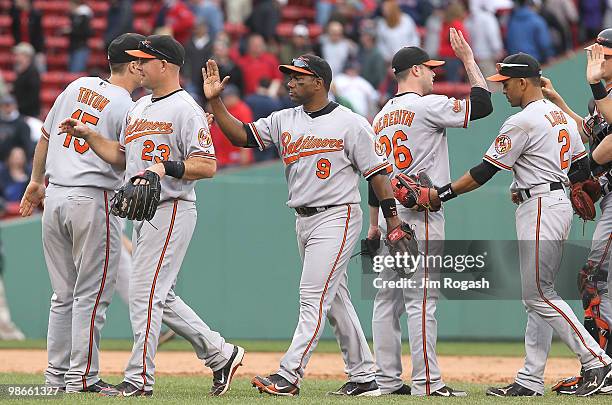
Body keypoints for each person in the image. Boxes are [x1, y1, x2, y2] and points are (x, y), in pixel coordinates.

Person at [204, 53, 412, 396]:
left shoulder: (351, 122)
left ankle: (289, 374)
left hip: (338, 214)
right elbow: (242, 136)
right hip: (303, 219)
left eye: (298, 77)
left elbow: (377, 175)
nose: (290, 82)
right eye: (289, 76)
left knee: (313, 295)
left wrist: (391, 221)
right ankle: (364, 376)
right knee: (336, 299)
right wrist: (216, 102)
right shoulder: (284, 119)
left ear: (319, 82)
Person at [415, 52, 612, 397]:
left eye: (506, 83)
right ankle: (530, 379)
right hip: (553, 202)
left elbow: (483, 172)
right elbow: (581, 166)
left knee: (538, 295)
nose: (502, 89)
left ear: (523, 82)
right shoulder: (560, 118)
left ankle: (598, 361)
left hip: (540, 207)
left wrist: (440, 194)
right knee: (539, 295)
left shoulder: (523, 120)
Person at [59, 34, 244, 397]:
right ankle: (221, 353)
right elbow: (121, 156)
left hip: (172, 207)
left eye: (145, 60)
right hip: (144, 211)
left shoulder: (185, 108)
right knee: (160, 294)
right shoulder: (140, 107)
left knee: (145, 292)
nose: (138, 66)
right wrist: (90, 135)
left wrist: (166, 167)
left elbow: (206, 166)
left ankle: (139, 378)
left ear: (164, 65)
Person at [369, 29, 493, 397]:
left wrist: (374, 224)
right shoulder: (426, 105)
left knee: (385, 302)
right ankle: (427, 383)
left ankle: (388, 381)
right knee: (422, 302)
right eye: (431, 68)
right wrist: (469, 60)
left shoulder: (379, 118)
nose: (435, 74)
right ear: (415, 71)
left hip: (391, 218)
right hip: (421, 214)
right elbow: (484, 106)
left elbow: (373, 175)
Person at [19, 33, 144, 393]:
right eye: (143, 61)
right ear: (134, 64)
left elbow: (44, 136)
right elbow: (127, 159)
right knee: (92, 294)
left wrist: (35, 181)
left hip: (54, 196)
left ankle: (55, 378)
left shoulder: (78, 85)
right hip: (92, 198)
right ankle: (83, 378)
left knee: (62, 295)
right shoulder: (128, 107)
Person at [0, 95, 33, 162]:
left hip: (16, 162)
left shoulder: (22, 124)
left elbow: (27, 146)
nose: (7, 108)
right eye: (4, 105)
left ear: (15, 106)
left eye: (9, 105)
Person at [12, 42, 40, 118]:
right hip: (21, 112)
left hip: (29, 114)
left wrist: (17, 106)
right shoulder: (21, 71)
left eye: (18, 55)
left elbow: (32, 97)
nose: (16, 58)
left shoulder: (32, 73)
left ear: (27, 57)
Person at [66, 0, 93, 73]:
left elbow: (88, 32)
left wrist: (71, 31)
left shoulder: (83, 16)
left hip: (80, 47)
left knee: (76, 73)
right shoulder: (75, 16)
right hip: (75, 46)